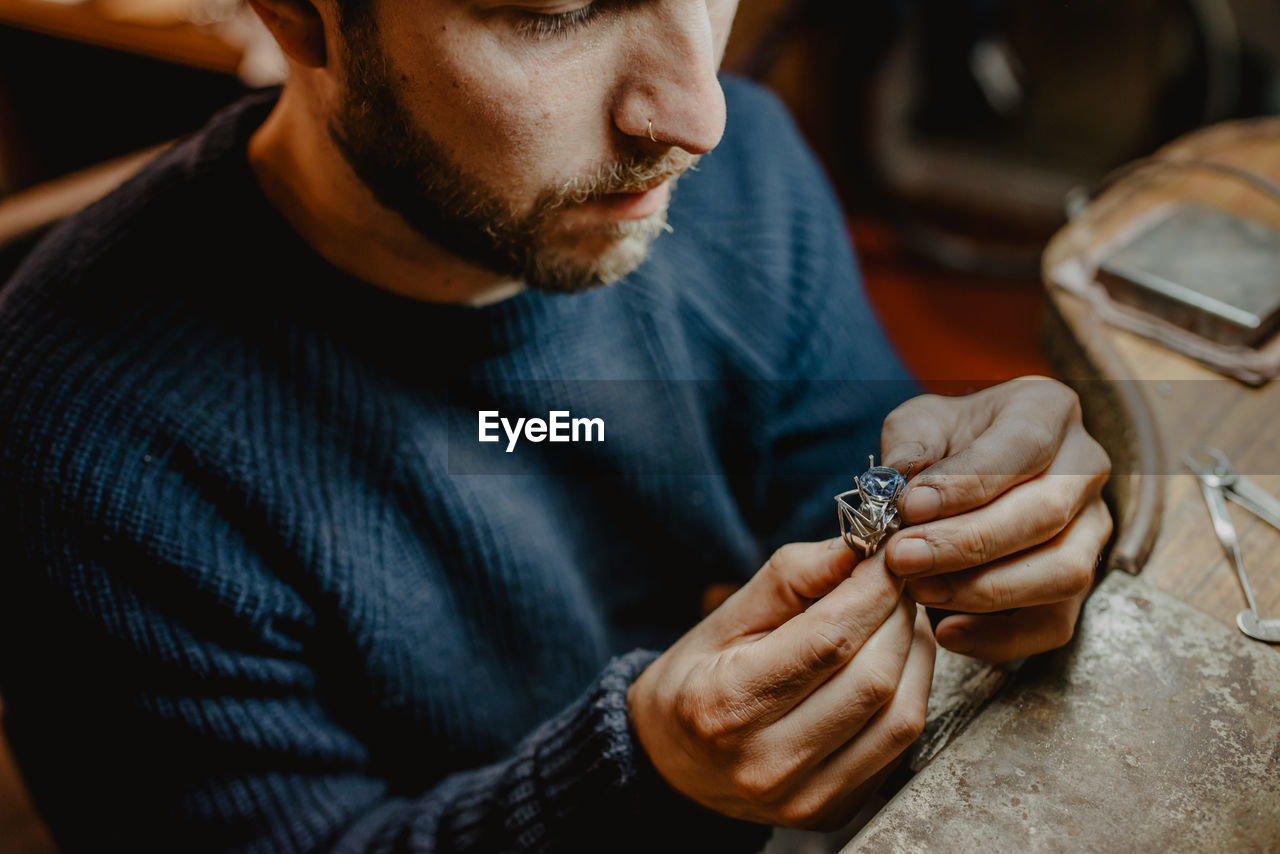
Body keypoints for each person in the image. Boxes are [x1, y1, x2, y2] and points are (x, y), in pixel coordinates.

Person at [0, 0, 1112, 851]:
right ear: (295, 13)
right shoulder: (79, 433)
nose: (697, 117)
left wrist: (991, 535)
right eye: (552, 10)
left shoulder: (750, 177)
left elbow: (838, 488)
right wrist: (645, 781)